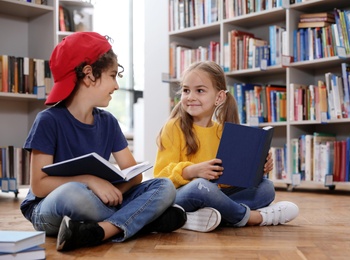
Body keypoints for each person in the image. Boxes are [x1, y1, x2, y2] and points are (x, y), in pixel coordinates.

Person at [20, 32, 186, 252]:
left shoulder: (108, 121)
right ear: (89, 74)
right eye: (113, 75)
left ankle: (102, 230)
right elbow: (39, 186)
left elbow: (134, 173)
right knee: (74, 193)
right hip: (50, 207)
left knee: (163, 185)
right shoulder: (48, 120)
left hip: (99, 204)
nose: (116, 85)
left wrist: (113, 189)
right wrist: (90, 180)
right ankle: (145, 220)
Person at [154, 60, 299, 232]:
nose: (190, 96)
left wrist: (259, 167)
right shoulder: (174, 126)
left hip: (216, 196)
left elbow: (227, 182)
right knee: (201, 186)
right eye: (186, 90)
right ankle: (252, 218)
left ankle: (200, 217)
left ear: (219, 97)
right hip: (185, 195)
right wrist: (192, 171)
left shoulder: (222, 131)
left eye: (199, 90)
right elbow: (160, 178)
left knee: (266, 187)